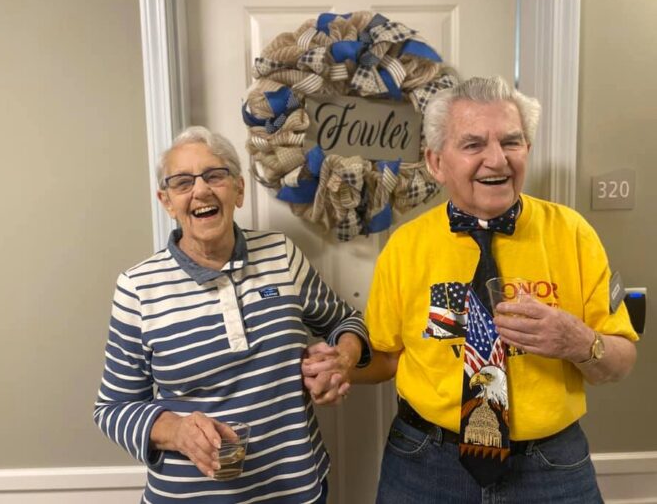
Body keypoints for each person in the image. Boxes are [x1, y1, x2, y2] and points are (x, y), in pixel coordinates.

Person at [303, 76, 638, 503]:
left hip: (551, 465)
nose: (497, 160)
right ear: (436, 161)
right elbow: (387, 357)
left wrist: (578, 341)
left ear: (527, 151)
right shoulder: (407, 246)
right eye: (474, 144)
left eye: (511, 142)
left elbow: (622, 359)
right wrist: (339, 365)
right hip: (425, 463)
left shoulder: (573, 234)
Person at [93, 126, 370, 504]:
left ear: (238, 190)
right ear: (167, 201)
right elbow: (113, 408)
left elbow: (346, 321)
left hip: (298, 491)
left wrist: (344, 357)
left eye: (214, 175)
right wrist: (175, 430)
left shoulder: (281, 255)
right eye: (182, 182)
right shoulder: (138, 288)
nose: (201, 190)